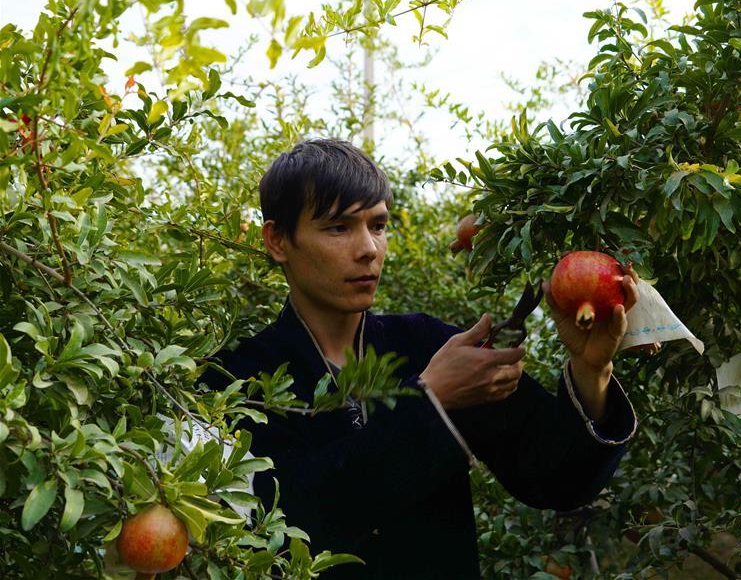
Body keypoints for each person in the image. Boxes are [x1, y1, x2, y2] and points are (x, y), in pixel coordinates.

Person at [199, 138, 640, 579]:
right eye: (338, 228)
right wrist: (429, 399)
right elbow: (283, 523)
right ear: (277, 240)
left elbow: (556, 478)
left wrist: (591, 370)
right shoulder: (236, 380)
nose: (369, 248)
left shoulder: (428, 344)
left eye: (378, 225)